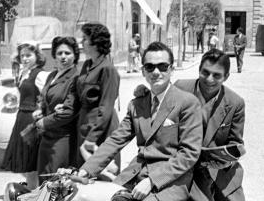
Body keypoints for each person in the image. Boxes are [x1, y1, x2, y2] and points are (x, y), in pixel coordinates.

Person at [77, 42, 203, 201]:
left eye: (163, 66)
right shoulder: (137, 104)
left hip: (170, 181)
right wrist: (87, 170)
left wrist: (152, 181)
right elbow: (116, 140)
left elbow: (189, 153)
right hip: (135, 175)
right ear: (143, 71)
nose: (156, 72)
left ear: (171, 69)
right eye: (150, 67)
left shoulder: (187, 102)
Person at [175, 49, 246, 201]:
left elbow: (235, 143)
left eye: (217, 75)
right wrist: (144, 95)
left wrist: (226, 159)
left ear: (226, 77)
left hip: (217, 173)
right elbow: (159, 106)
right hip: (182, 167)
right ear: (199, 69)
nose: (209, 79)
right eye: (205, 72)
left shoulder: (235, 103)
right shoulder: (180, 88)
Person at [1, 42, 50, 190]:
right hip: (22, 117)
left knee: (31, 160)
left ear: (37, 56)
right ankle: (31, 190)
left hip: (31, 119)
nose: (25, 58)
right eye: (22, 56)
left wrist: (40, 110)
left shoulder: (40, 74)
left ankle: (35, 192)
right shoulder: (24, 72)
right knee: (27, 163)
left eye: (29, 55)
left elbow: (47, 97)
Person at [32, 37, 80, 180]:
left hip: (62, 139)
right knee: (43, 179)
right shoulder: (52, 75)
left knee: (56, 182)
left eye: (67, 53)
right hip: (47, 137)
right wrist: (40, 109)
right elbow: (43, 96)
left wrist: (44, 121)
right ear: (54, 55)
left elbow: (69, 111)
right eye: (59, 53)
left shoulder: (76, 78)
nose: (63, 57)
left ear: (75, 55)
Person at [76, 23, 121, 167]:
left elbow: (106, 107)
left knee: (102, 174)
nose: (81, 42)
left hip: (101, 130)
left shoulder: (107, 69)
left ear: (95, 42)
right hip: (85, 124)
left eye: (85, 38)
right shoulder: (87, 65)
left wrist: (92, 137)